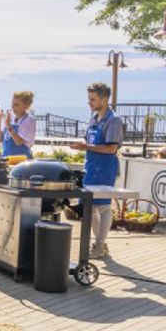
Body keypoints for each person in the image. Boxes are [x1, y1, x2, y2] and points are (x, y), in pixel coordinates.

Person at [69, 82, 123, 259]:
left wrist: (87, 146)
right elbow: (89, 144)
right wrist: (82, 146)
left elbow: (111, 149)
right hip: (91, 168)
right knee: (90, 207)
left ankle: (99, 245)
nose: (89, 103)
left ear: (104, 99)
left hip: (105, 169)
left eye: (93, 99)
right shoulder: (94, 119)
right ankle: (100, 243)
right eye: (89, 99)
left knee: (104, 207)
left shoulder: (113, 120)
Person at [0, 91, 36, 158]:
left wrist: (9, 126)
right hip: (6, 158)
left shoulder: (29, 120)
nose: (12, 107)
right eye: (12, 104)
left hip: (22, 161)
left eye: (16, 105)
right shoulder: (10, 117)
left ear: (26, 105)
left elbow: (19, 142)